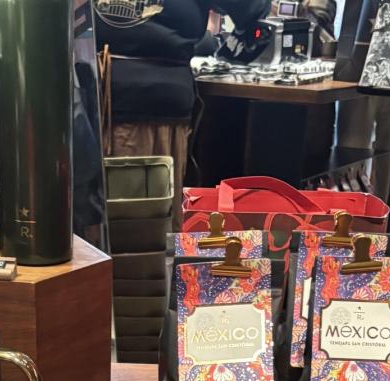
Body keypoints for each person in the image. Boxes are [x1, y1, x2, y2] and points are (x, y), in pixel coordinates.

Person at [95, 0, 269, 226]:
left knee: (132, 224)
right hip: (130, 99)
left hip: (94, 96)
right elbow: (254, 10)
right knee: (138, 227)